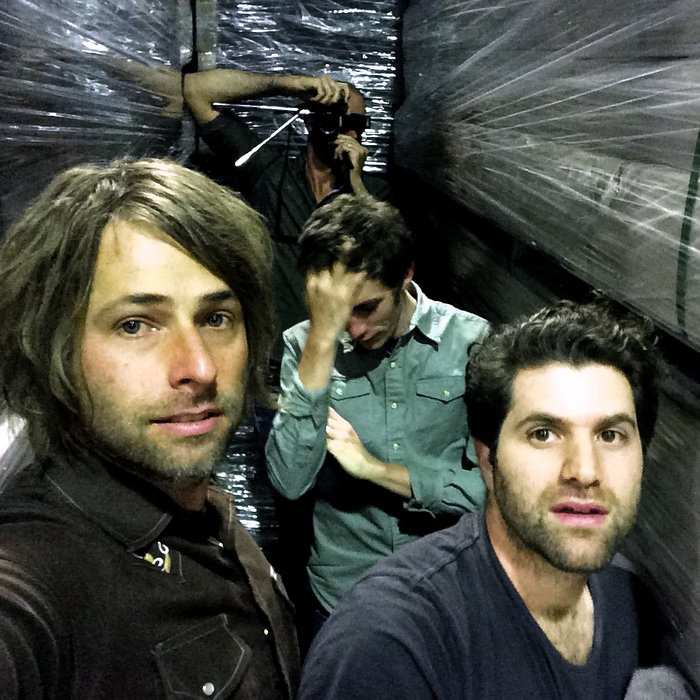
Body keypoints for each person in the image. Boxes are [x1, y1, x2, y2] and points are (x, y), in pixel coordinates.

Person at [0, 158, 299, 698]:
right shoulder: (37, 569)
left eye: (215, 318)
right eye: (136, 325)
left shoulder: (201, 505)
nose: (200, 368)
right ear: (52, 347)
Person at [298, 299, 673, 699]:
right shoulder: (388, 645)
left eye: (610, 435)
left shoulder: (626, 599)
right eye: (543, 434)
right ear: (487, 461)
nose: (584, 471)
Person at [265, 194, 489, 640]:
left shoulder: (469, 341)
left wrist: (376, 470)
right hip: (345, 595)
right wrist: (320, 343)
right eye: (336, 312)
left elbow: (495, 491)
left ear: (406, 274)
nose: (353, 329)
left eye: (367, 307)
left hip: (445, 585)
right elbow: (289, 480)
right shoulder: (305, 346)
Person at [183, 68, 391, 361]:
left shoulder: (374, 193)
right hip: (275, 360)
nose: (350, 133)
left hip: (344, 364)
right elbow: (196, 90)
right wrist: (292, 85)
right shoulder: (272, 175)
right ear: (310, 121)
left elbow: (391, 265)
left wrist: (355, 183)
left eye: (357, 124)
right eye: (337, 120)